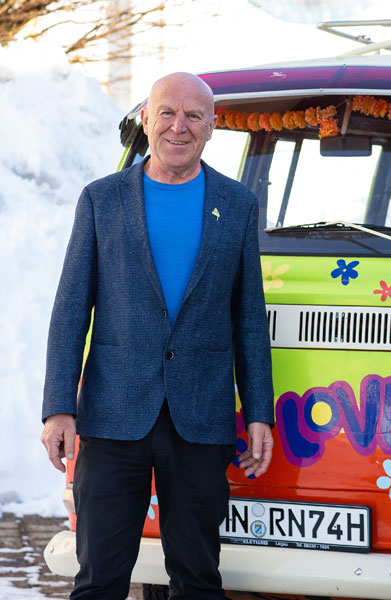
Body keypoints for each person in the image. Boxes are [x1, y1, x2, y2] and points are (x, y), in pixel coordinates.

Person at [40, 72, 274, 600]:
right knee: (98, 579)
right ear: (145, 119)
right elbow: (71, 309)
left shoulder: (236, 205)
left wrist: (259, 410)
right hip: (112, 414)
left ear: (213, 127)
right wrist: (59, 406)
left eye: (194, 115)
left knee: (197, 580)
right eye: (167, 112)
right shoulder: (101, 200)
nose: (179, 126)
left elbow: (248, 319)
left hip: (200, 419)